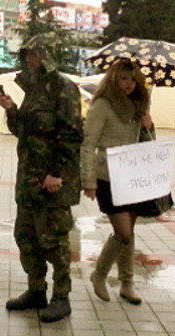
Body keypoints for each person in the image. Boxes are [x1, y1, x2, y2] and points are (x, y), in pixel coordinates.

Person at [0, 34, 83, 323]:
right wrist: (11, 109)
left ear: (47, 55)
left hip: (52, 184)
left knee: (55, 242)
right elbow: (24, 131)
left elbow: (71, 134)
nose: (29, 60)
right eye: (26, 55)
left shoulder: (63, 87)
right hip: (29, 182)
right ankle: (36, 290)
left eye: (33, 54)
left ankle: (61, 297)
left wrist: (56, 173)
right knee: (26, 237)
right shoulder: (34, 88)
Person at [81, 59, 153, 305]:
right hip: (107, 177)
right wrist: (88, 180)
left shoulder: (138, 107)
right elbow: (88, 143)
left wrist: (148, 126)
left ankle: (127, 283)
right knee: (123, 232)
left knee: (128, 233)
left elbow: (148, 145)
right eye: (123, 78)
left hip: (131, 177)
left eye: (133, 79)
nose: (129, 84)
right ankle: (99, 274)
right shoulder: (103, 105)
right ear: (113, 79)